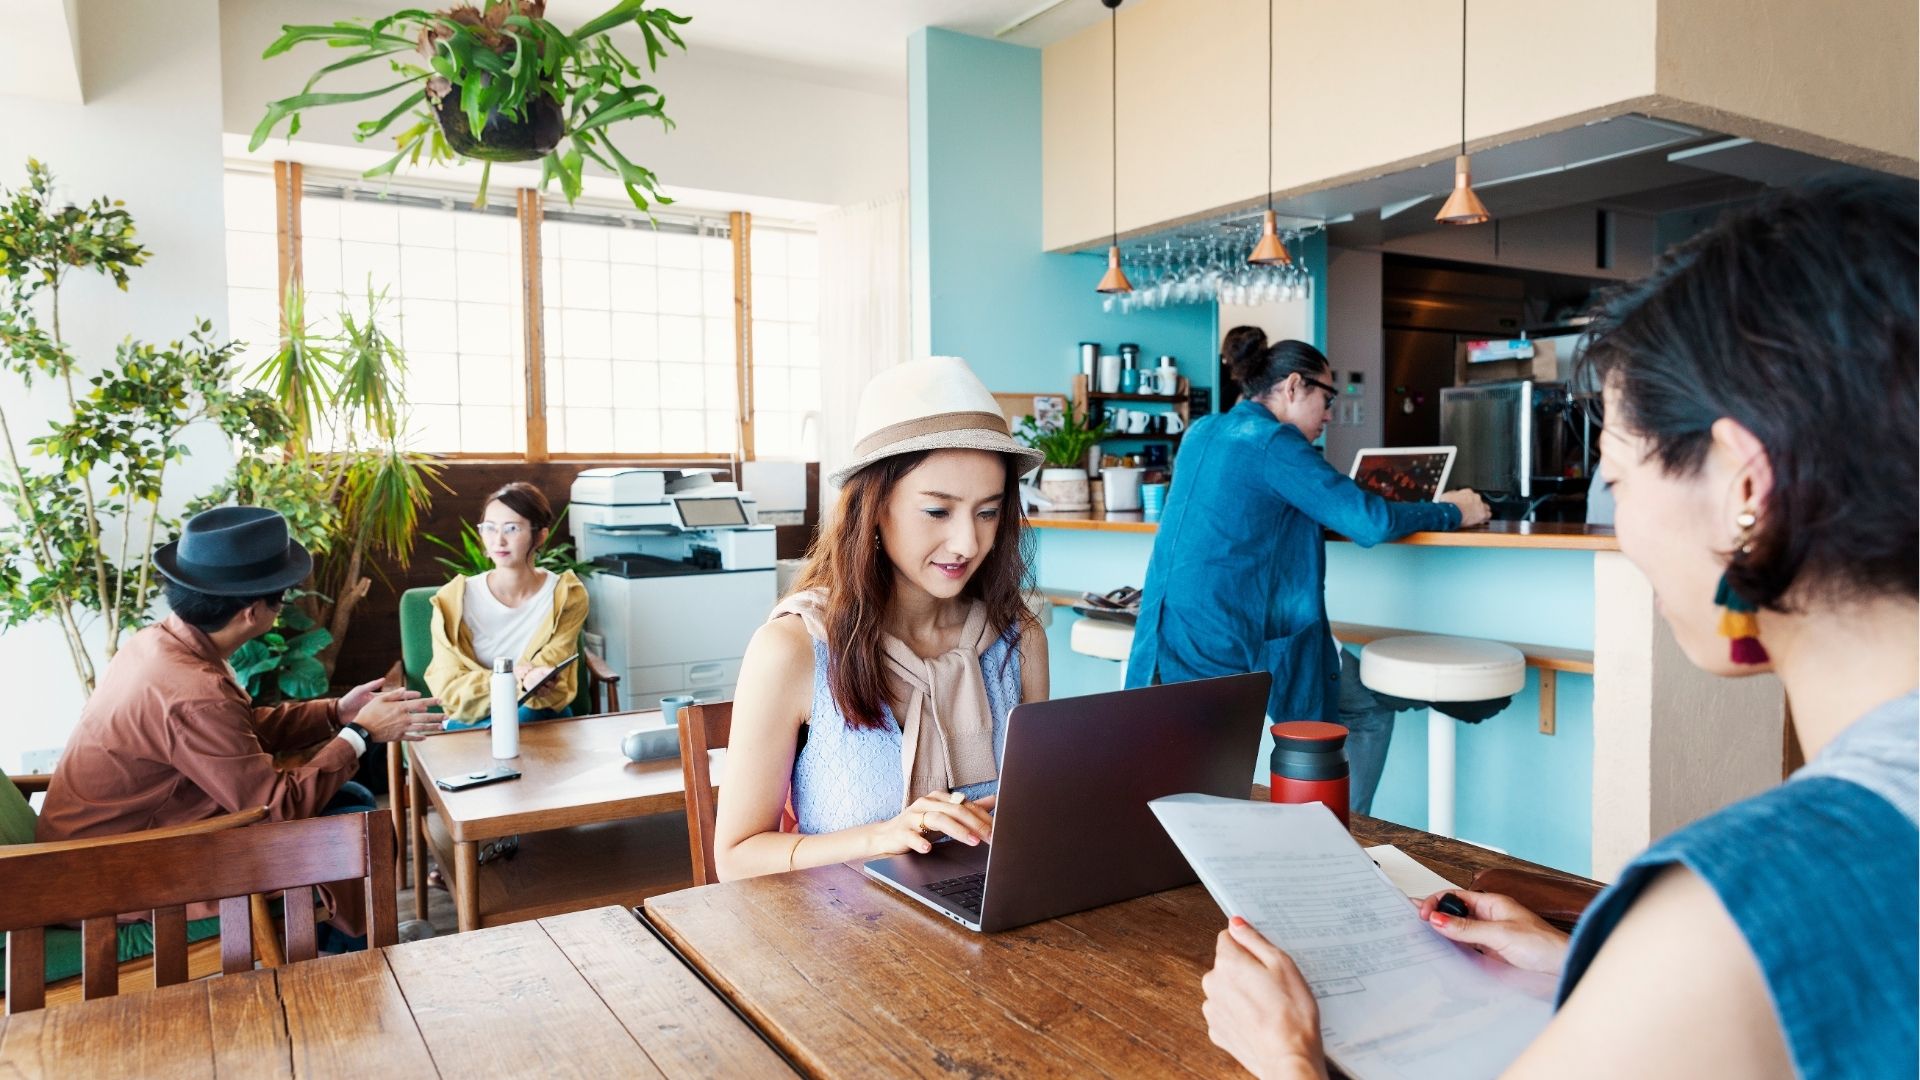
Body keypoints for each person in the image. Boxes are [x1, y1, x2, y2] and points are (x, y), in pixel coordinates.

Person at [1200, 177, 1917, 1079]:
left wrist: (1289, 1056)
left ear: (1744, 487)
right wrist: (1581, 960)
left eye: (1617, 473)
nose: (1621, 524)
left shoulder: (1727, 922)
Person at [713, 356, 1050, 880]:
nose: (967, 543)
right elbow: (736, 858)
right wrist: (883, 837)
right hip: (840, 924)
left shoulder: (1019, 639)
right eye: (937, 511)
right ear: (873, 507)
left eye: (988, 512)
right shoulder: (792, 648)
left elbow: (1035, 811)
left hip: (989, 916)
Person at [37, 506, 443, 939]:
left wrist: (337, 711)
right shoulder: (194, 691)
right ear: (253, 612)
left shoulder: (156, 644)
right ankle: (356, 954)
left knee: (350, 798)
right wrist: (361, 734)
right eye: (281, 598)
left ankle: (344, 940)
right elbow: (276, 810)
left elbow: (236, 730)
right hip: (111, 873)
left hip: (112, 846)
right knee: (351, 830)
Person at [1126, 331, 1490, 813]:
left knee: (1198, 786)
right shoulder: (1273, 442)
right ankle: (1330, 834)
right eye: (1328, 397)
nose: (1331, 413)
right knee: (1362, 711)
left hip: (1168, 637)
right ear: (1294, 386)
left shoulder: (1203, 430)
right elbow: (1369, 521)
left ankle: (1320, 830)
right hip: (1231, 645)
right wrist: (1453, 510)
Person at [425, 482, 587, 730]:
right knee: (523, 720)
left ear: (540, 535)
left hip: (535, 712)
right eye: (489, 528)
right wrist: (518, 680)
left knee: (534, 712)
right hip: (476, 717)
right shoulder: (452, 601)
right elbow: (450, 686)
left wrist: (526, 681)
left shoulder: (566, 595)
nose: (498, 540)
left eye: (512, 528)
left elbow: (549, 669)